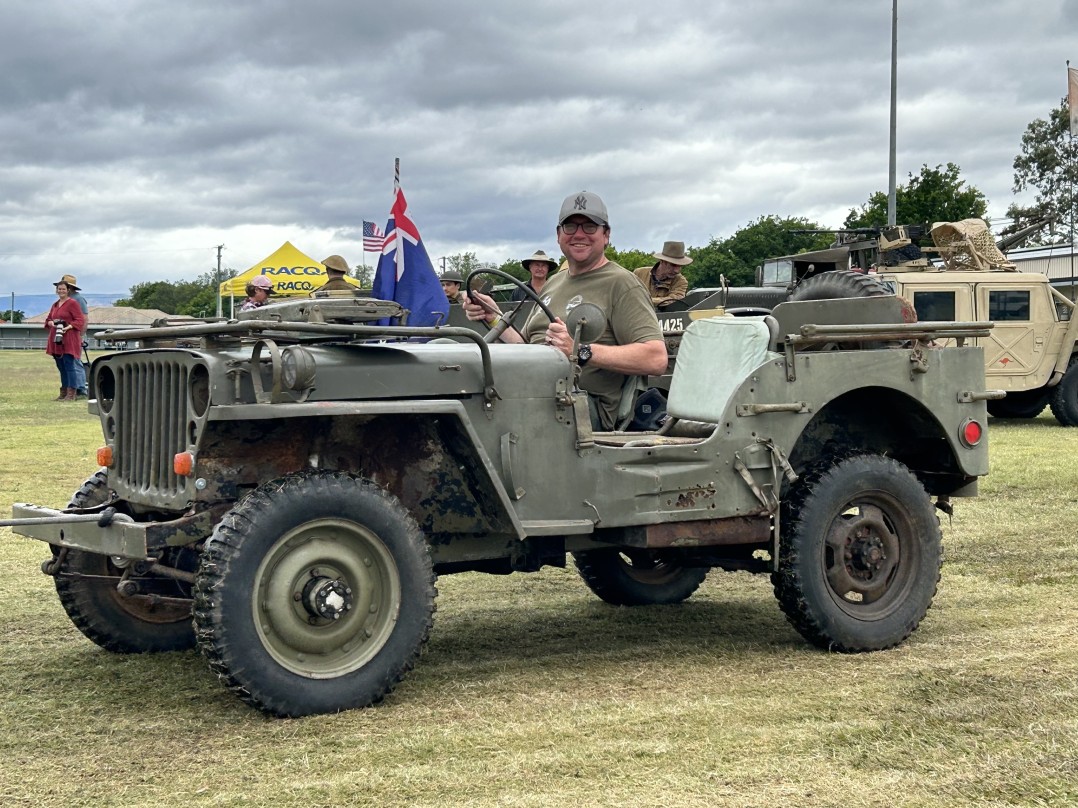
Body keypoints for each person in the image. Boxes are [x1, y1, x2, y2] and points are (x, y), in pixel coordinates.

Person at [463, 191, 667, 430]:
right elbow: (526, 349)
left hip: (578, 408)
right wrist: (493, 316)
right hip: (533, 391)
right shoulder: (554, 282)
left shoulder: (621, 283)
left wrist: (579, 350)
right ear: (559, 235)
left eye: (590, 226)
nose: (579, 234)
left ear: (606, 235)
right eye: (570, 226)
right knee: (449, 359)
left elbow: (656, 358)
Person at [45, 276, 87, 401]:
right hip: (56, 338)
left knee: (70, 365)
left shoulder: (73, 303)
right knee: (61, 366)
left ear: (68, 290)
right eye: (59, 289)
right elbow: (48, 319)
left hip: (69, 337)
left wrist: (68, 327)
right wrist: (51, 323)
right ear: (56, 290)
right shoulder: (55, 305)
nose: (61, 291)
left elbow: (79, 320)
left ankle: (71, 393)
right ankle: (63, 392)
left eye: (63, 289)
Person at [634, 241, 691, 309]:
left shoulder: (680, 281)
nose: (677, 270)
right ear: (662, 261)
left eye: (680, 266)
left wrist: (644, 300)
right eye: (673, 265)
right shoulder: (639, 273)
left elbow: (674, 301)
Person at [66, 274, 90, 397]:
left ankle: (81, 389)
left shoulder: (78, 299)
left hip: (75, 335)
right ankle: (71, 387)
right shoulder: (66, 300)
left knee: (75, 361)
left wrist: (81, 335)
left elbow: (84, 319)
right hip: (67, 335)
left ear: (69, 287)